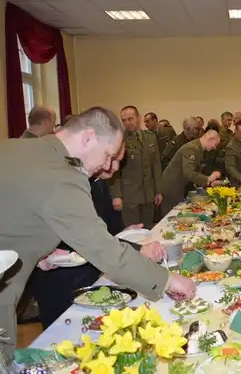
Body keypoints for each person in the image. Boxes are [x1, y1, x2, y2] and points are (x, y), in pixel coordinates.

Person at [0, 107, 195, 358]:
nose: (107, 167)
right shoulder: (64, 176)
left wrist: (37, 253)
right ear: (88, 137)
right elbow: (104, 251)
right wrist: (168, 280)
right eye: (107, 155)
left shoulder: (15, 147)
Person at [30, 141, 167, 328]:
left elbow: (102, 225)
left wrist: (123, 234)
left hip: (90, 274)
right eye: (112, 159)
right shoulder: (68, 184)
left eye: (119, 160)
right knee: (63, 333)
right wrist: (137, 248)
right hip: (57, 280)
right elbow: (82, 235)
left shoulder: (99, 181)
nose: (116, 166)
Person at [110, 106, 163, 229]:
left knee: (148, 229)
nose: (127, 123)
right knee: (133, 233)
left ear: (138, 118)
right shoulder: (120, 139)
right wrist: (116, 195)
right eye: (124, 120)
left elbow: (155, 165)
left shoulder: (150, 137)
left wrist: (158, 190)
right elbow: (113, 171)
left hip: (148, 194)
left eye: (130, 119)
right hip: (129, 196)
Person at [161, 128, 222, 215]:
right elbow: (189, 173)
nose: (214, 147)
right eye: (215, 144)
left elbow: (194, 171)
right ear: (210, 139)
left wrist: (209, 182)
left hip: (178, 185)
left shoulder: (197, 148)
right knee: (171, 216)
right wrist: (208, 178)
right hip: (172, 186)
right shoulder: (192, 148)